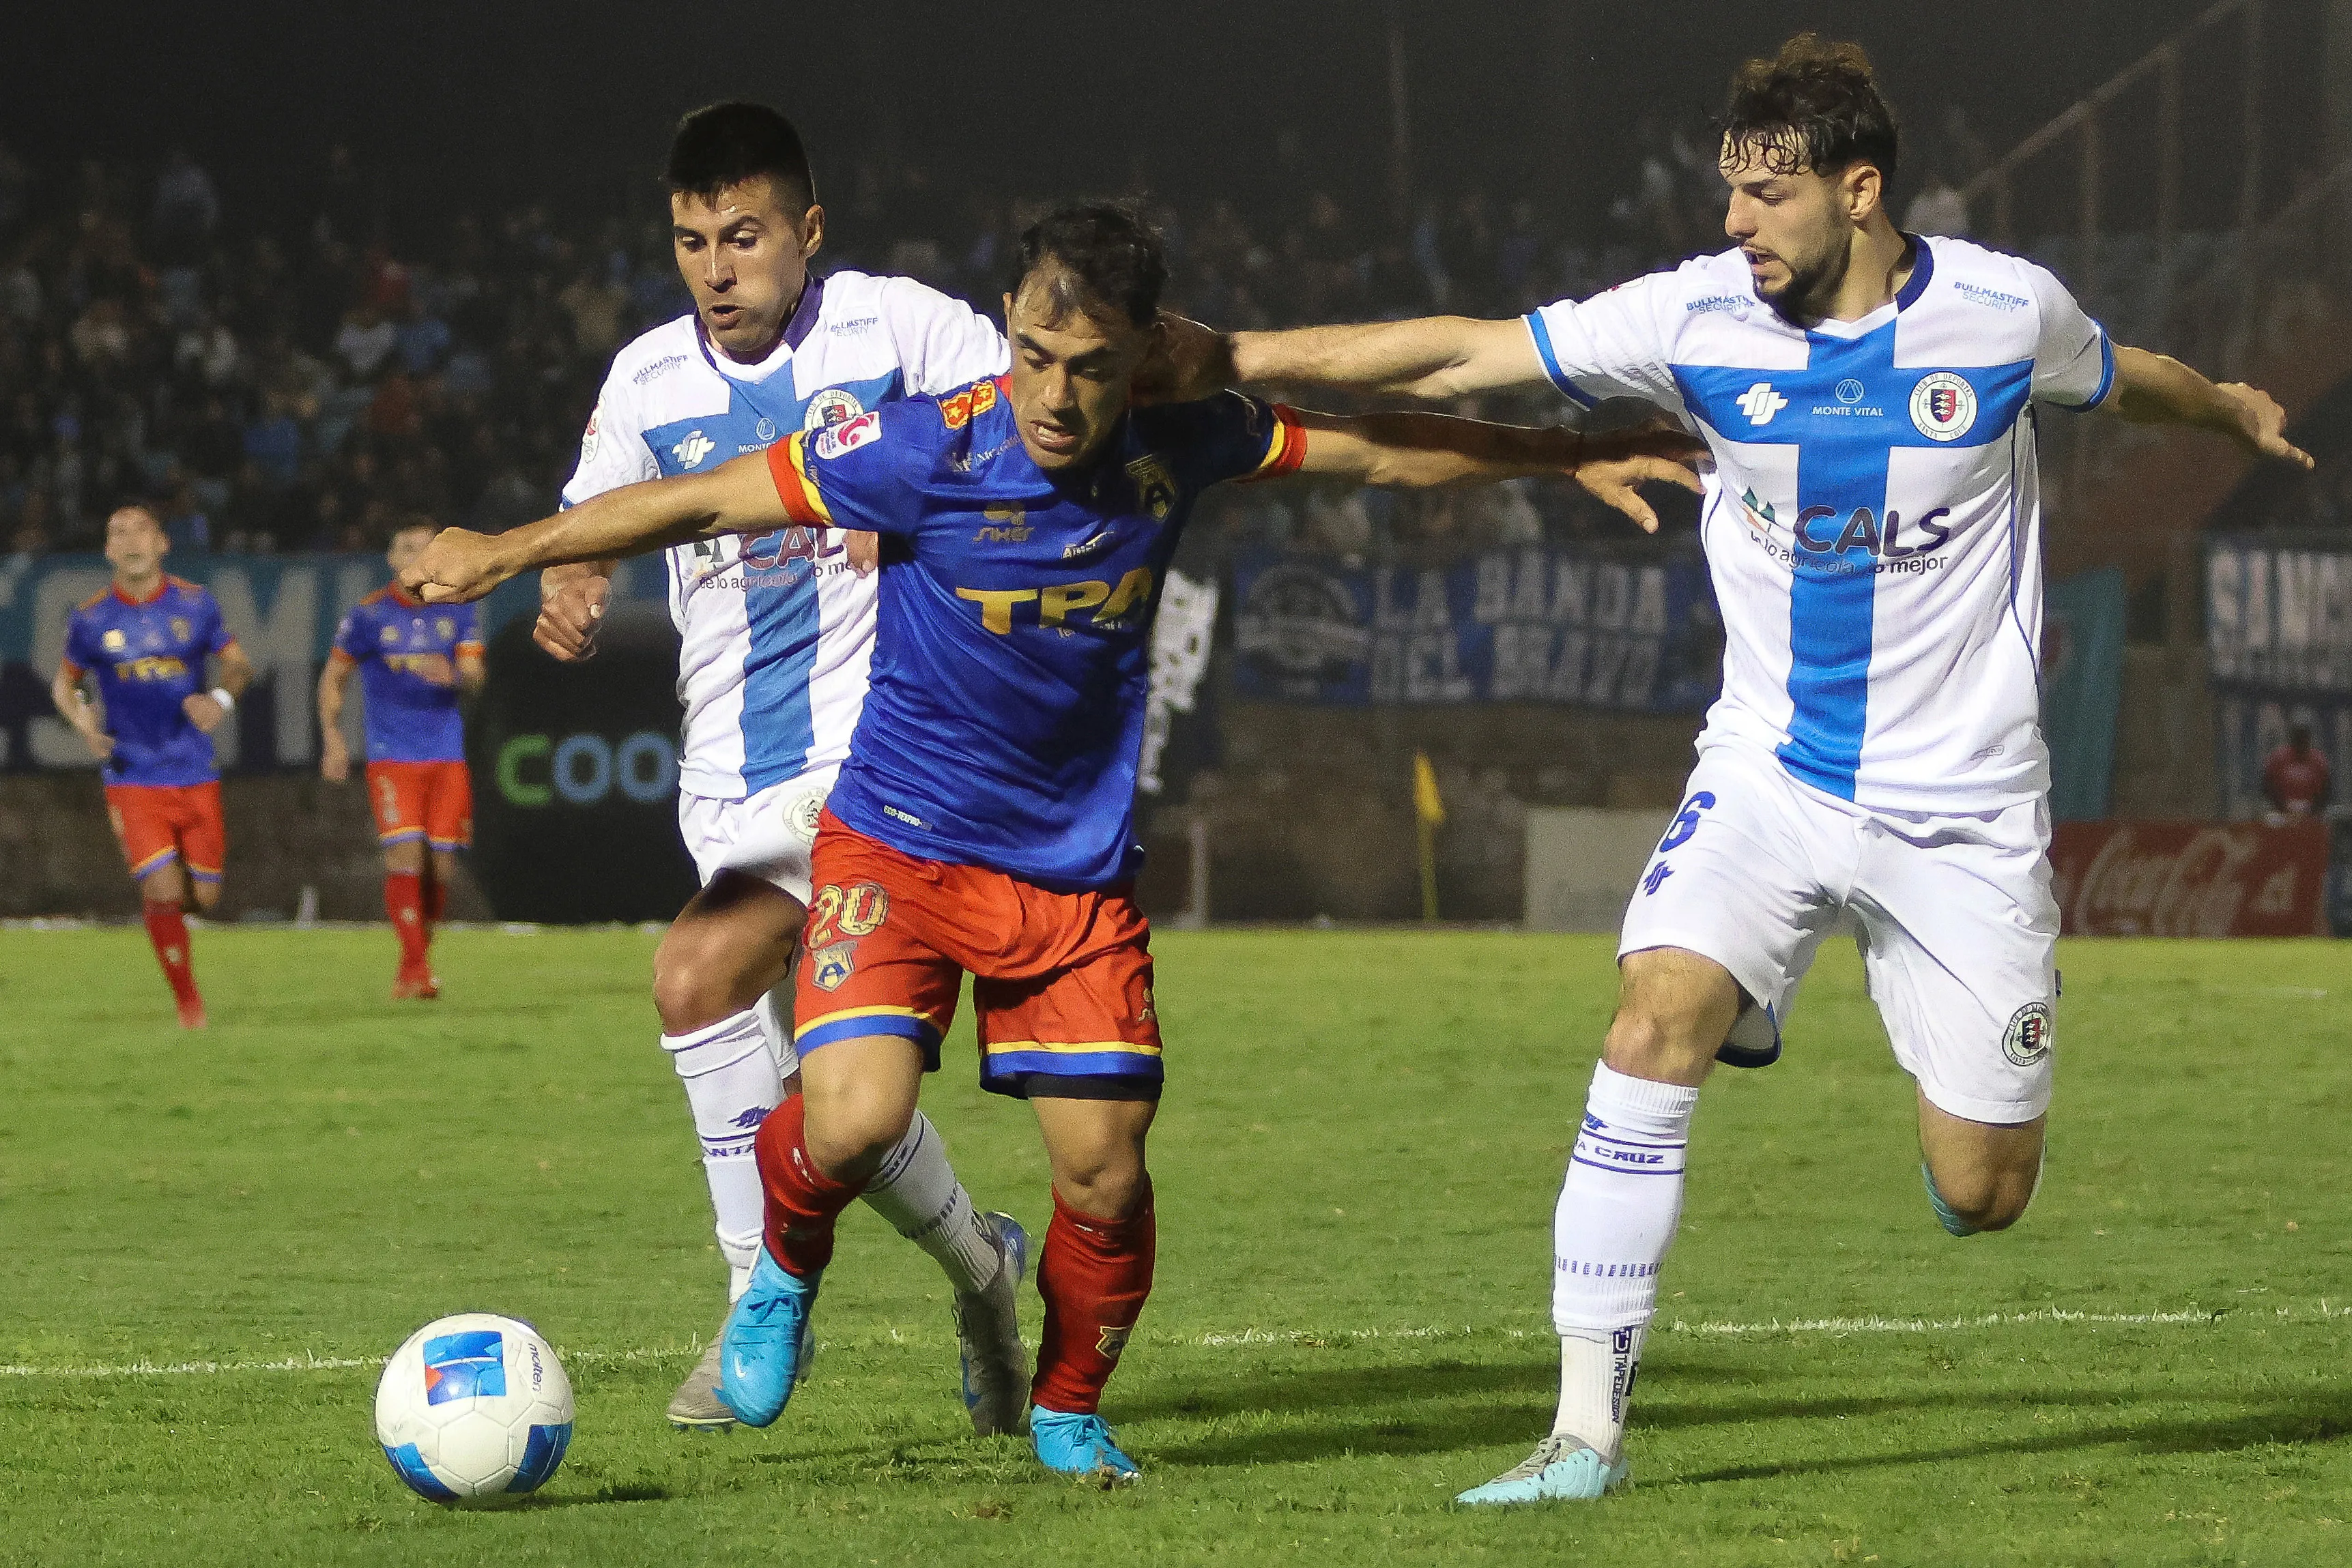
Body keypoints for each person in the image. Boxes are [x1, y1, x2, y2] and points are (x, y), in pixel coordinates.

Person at [1155, 33, 2317, 1505]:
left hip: (1961, 814)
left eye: (1765, 196)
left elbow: (2125, 380)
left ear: (1859, 189)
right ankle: (1582, 1435)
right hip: (1766, 774)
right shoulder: (1694, 315)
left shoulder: (2002, 314)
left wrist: (2227, 401)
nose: (1733, 224)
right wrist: (1240, 358)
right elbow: (1469, 350)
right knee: (1651, 1018)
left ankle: (1895, 1068)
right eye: (1728, 194)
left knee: (1985, 1192)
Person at [401, 201, 1705, 1481]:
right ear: (1008, 332)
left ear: (1141, 354)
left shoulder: (1179, 438)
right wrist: (512, 549)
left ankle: (1068, 1406)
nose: (1057, 395)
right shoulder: (923, 447)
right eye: (1033, 356)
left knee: (1103, 1176)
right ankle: (781, 1273)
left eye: (1090, 366)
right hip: (896, 847)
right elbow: (699, 504)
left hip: (1068, 877)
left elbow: (1376, 449)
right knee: (851, 1121)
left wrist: (1554, 456)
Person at [534, 102, 1027, 1435]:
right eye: (693, 240)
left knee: (692, 974)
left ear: (806, 233)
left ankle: (761, 1289)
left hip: (892, 757)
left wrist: (934, 499)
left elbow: (1028, 425)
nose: (717, 266)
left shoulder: (899, 329)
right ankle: (986, 1272)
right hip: (731, 787)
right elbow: (596, 515)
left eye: (743, 236)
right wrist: (572, 582)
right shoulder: (648, 381)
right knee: (842, 1111)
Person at [51, 504, 253, 1028]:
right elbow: (64, 683)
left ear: (162, 543)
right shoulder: (91, 618)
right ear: (108, 551)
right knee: (161, 888)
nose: (131, 540)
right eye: (118, 533)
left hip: (194, 770)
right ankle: (189, 1002)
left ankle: (173, 920)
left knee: (204, 897)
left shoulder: (196, 604)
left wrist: (220, 701)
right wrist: (84, 724)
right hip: (131, 773)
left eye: (141, 529)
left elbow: (238, 664)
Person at [319, 519, 486, 998]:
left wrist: (452, 673)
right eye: (404, 546)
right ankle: (415, 969)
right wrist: (332, 737)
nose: (414, 554)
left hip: (445, 755)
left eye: (423, 546)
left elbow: (476, 676)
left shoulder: (457, 611)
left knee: (442, 868)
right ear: (391, 559)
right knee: (405, 856)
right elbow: (334, 677)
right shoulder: (369, 615)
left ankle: (415, 964)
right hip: (391, 756)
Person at [2262, 721, 2332, 819]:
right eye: (2298, 737)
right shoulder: (2278, 758)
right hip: (2283, 812)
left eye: (2303, 737)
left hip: (2312, 812)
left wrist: (2312, 809)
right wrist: (2282, 807)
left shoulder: (2318, 760)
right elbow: (2268, 786)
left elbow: (2326, 789)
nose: (2301, 741)